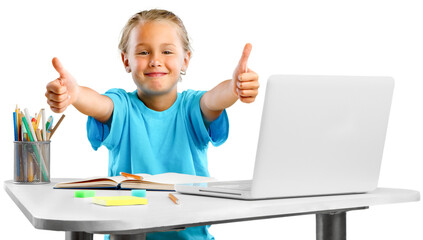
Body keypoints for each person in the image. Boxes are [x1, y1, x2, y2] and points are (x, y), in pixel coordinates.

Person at [45, 9, 259, 240]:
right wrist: (75, 94)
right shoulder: (123, 106)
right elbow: (99, 104)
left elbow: (214, 100)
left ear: (185, 60)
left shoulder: (191, 107)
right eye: (144, 52)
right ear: (126, 60)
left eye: (167, 51)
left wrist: (234, 88)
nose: (155, 60)